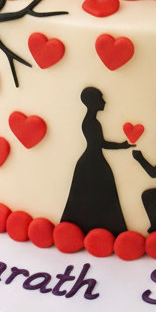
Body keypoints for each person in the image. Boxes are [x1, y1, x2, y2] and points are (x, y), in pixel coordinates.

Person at [60, 87, 132, 236]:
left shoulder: (92, 121)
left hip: (92, 161)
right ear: (93, 102)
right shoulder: (91, 122)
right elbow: (100, 144)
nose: (104, 101)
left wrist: (121, 145)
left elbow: (100, 143)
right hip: (93, 163)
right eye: (101, 98)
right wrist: (121, 146)